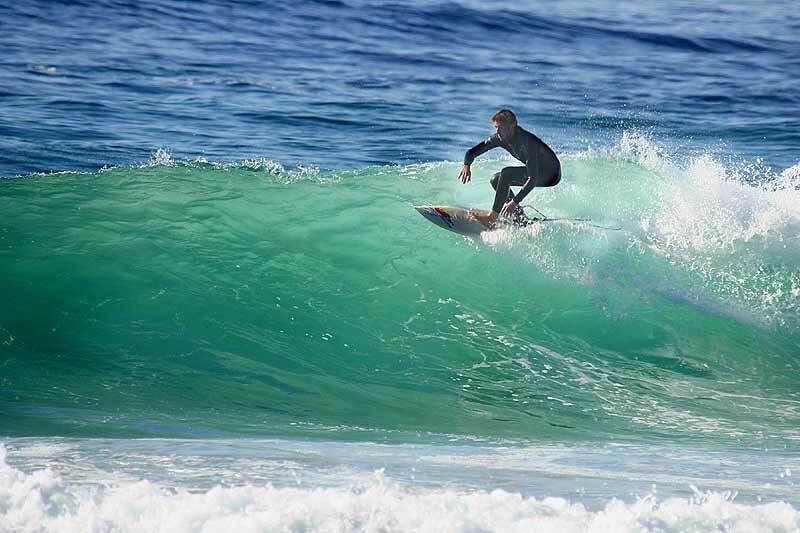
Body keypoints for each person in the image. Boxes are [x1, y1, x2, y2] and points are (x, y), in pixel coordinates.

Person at [458, 109, 561, 227]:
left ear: (511, 126)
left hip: (551, 173)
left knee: (507, 173)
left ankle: (492, 218)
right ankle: (519, 217)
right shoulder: (500, 138)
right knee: (496, 179)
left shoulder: (527, 142)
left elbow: (533, 179)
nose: (497, 131)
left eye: (500, 127)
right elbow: (471, 152)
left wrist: (514, 202)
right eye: (496, 127)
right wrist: (467, 165)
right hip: (538, 171)